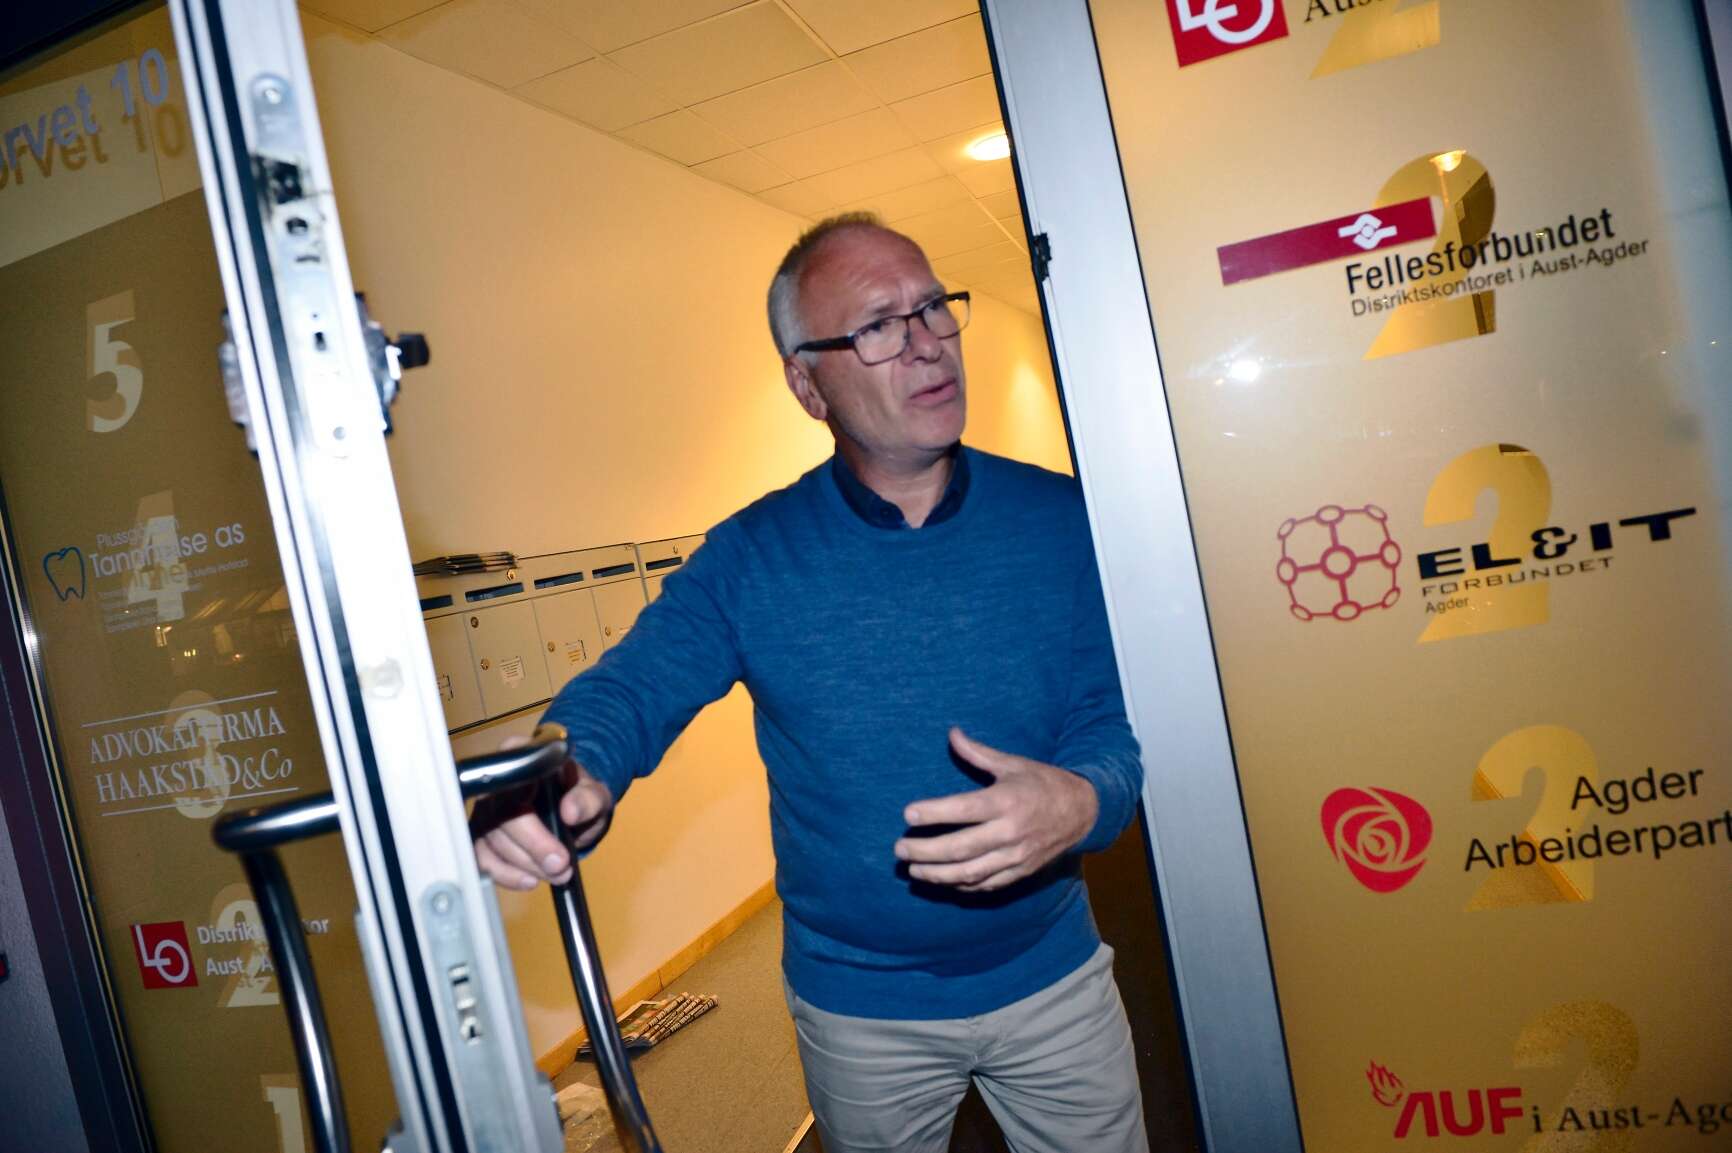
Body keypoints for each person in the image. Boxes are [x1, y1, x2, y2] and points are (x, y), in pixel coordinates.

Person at [472, 213, 1149, 1153]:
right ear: (806, 383)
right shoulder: (752, 557)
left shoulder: (1062, 518)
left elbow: (1110, 731)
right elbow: (630, 688)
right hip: (860, 1010)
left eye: (933, 307)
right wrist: (564, 765)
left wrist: (1081, 801)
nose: (926, 342)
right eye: (878, 326)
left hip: (1052, 976)